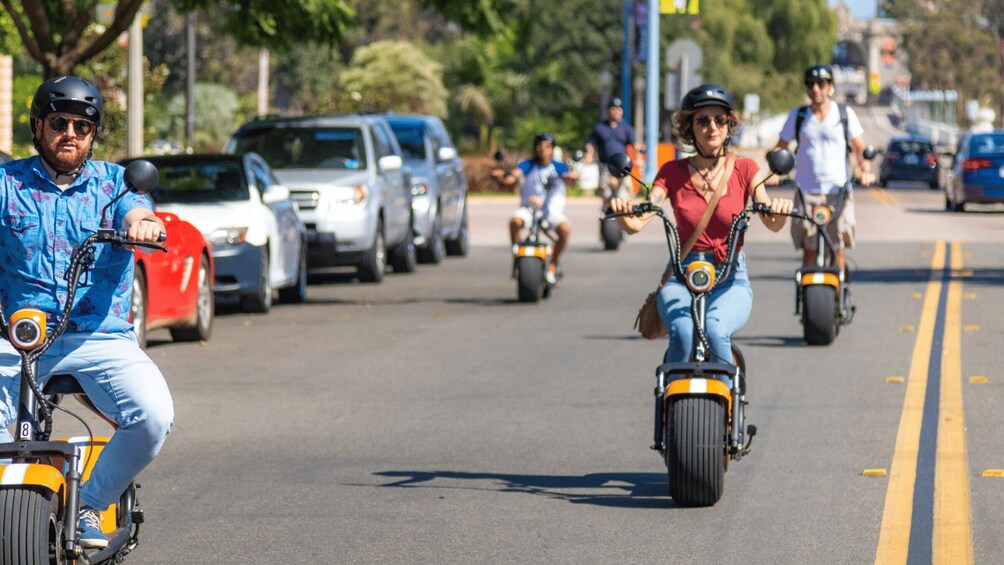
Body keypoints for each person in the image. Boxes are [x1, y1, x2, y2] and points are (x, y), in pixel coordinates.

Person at [0, 76, 173, 549]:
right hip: (19, 337)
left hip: (100, 337)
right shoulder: (5, 184)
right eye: (59, 122)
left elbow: (138, 211)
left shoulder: (116, 186)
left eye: (82, 125)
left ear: (93, 134)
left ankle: (91, 504)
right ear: (38, 126)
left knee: (153, 417)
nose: (70, 133)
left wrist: (144, 225)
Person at [609, 84, 794, 365]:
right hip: (681, 275)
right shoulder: (671, 172)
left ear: (729, 125)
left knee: (715, 329)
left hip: (730, 276)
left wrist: (779, 210)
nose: (712, 127)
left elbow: (771, 220)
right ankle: (670, 403)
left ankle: (728, 404)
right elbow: (641, 219)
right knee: (682, 333)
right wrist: (623, 212)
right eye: (703, 120)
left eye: (720, 120)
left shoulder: (746, 169)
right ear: (689, 127)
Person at [770, 64, 875, 272]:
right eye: (810, 84)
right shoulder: (798, 116)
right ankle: (807, 301)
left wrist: (865, 171)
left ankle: (837, 297)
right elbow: (780, 149)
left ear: (830, 87)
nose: (816, 89)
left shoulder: (844, 114)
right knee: (809, 248)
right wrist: (772, 173)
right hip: (806, 191)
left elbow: (860, 148)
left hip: (838, 191)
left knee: (837, 248)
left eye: (821, 83)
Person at [499, 132, 578, 284]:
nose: (543, 150)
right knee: (514, 222)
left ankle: (553, 262)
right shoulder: (528, 165)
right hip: (529, 209)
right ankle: (518, 254)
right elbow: (513, 176)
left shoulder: (558, 166)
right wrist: (504, 176)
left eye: (547, 147)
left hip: (551, 212)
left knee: (565, 230)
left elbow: (571, 176)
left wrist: (572, 176)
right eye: (539, 146)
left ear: (552, 149)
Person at [585, 98, 642, 199]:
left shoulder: (626, 128)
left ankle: (621, 213)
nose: (616, 111)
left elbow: (635, 145)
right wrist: (589, 155)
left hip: (623, 166)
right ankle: (607, 214)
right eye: (614, 109)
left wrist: (638, 158)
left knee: (623, 196)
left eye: (619, 109)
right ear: (608, 110)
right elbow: (591, 144)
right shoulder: (600, 127)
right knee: (606, 196)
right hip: (606, 166)